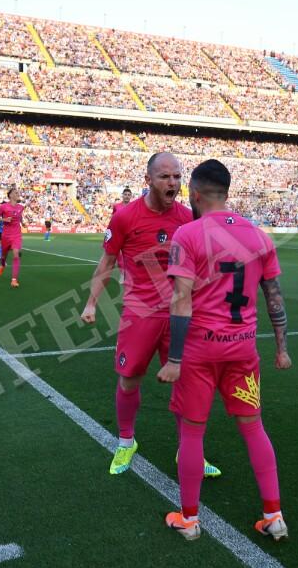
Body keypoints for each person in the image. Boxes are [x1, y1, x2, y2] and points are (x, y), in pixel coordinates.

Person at [156, 159, 291, 542]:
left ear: (195, 195)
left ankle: (189, 519)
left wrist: (175, 359)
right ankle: (274, 515)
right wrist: (281, 348)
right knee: (253, 429)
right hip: (243, 349)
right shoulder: (259, 236)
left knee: (194, 433)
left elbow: (181, 300)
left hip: (199, 353)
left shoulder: (188, 234)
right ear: (227, 193)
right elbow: (274, 297)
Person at [81, 153, 221, 478]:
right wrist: (91, 303)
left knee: (187, 383)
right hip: (140, 314)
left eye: (176, 176)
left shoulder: (188, 217)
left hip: (179, 315)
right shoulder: (125, 217)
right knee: (129, 380)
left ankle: (189, 451)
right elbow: (107, 263)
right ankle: (127, 441)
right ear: (148, 180)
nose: (172, 183)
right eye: (164, 177)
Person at [0, 188, 25, 287]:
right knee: (4, 256)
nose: (18, 194)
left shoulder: (21, 207)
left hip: (17, 234)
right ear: (10, 195)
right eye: (16, 193)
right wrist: (4, 219)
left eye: (18, 192)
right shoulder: (3, 207)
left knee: (16, 254)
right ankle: (2, 265)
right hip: (6, 235)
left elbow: (20, 216)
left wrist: (23, 222)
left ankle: (14, 280)